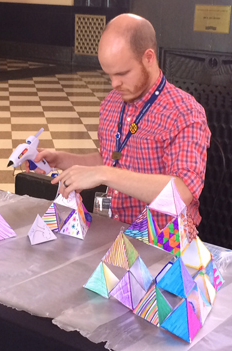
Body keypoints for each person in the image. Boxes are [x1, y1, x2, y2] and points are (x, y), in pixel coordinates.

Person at [29, 13, 210, 234]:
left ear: (149, 58)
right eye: (109, 74)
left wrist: (105, 174)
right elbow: (111, 158)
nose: (115, 84)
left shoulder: (184, 113)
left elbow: (181, 194)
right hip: (115, 231)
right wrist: (60, 159)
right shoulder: (112, 104)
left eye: (123, 73)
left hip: (164, 242)